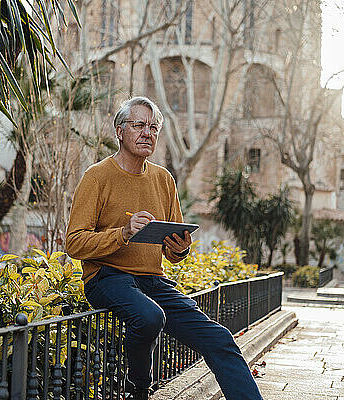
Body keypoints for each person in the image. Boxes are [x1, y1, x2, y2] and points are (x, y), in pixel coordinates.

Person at [65, 97, 263, 400]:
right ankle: (139, 389)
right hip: (107, 278)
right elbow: (74, 243)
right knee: (149, 316)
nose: (147, 133)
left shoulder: (164, 179)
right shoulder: (97, 176)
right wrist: (123, 233)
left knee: (220, 338)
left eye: (154, 127)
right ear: (120, 131)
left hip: (153, 282)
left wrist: (180, 248)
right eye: (139, 125)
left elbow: (174, 252)